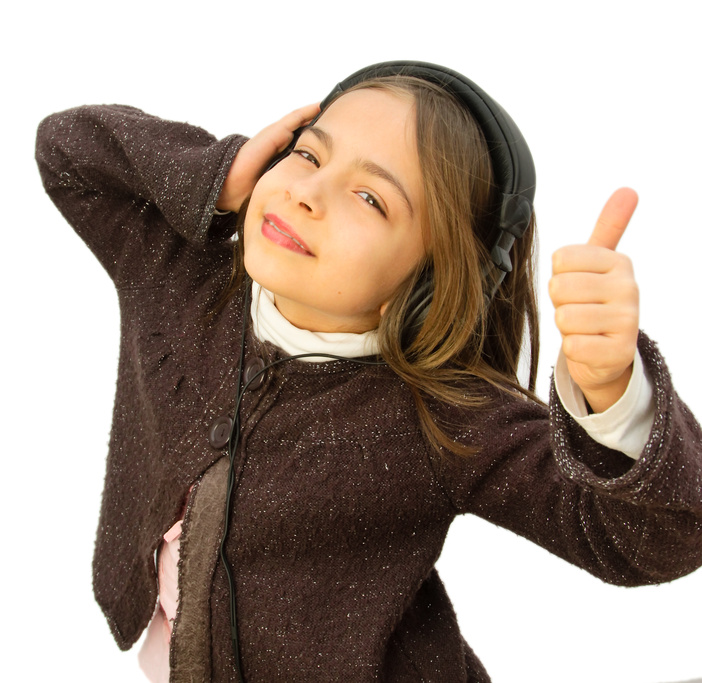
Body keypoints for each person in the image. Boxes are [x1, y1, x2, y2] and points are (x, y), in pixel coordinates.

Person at [35, 62, 702, 683]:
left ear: (431, 282)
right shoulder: (176, 277)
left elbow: (658, 538)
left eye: (369, 197)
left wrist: (614, 394)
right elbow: (65, 152)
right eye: (308, 154)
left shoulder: (447, 416)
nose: (306, 193)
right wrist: (218, 174)